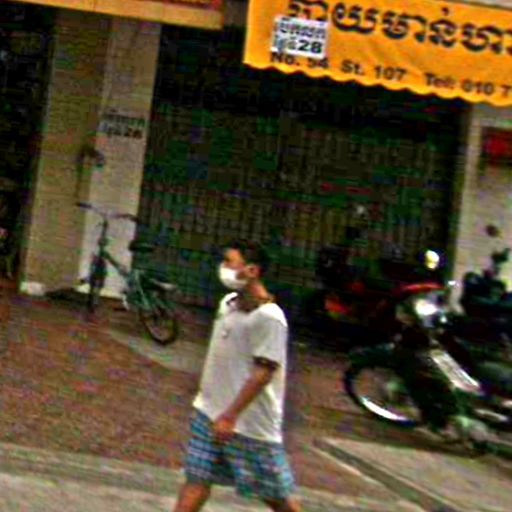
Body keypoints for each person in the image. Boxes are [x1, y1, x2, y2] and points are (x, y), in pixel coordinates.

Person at [173, 240, 301, 512]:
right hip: (208, 413)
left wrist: (231, 415)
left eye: (230, 262)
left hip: (248, 425)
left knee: (275, 494)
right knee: (196, 478)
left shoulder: (270, 318)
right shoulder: (228, 304)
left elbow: (263, 373)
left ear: (252, 271)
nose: (224, 268)